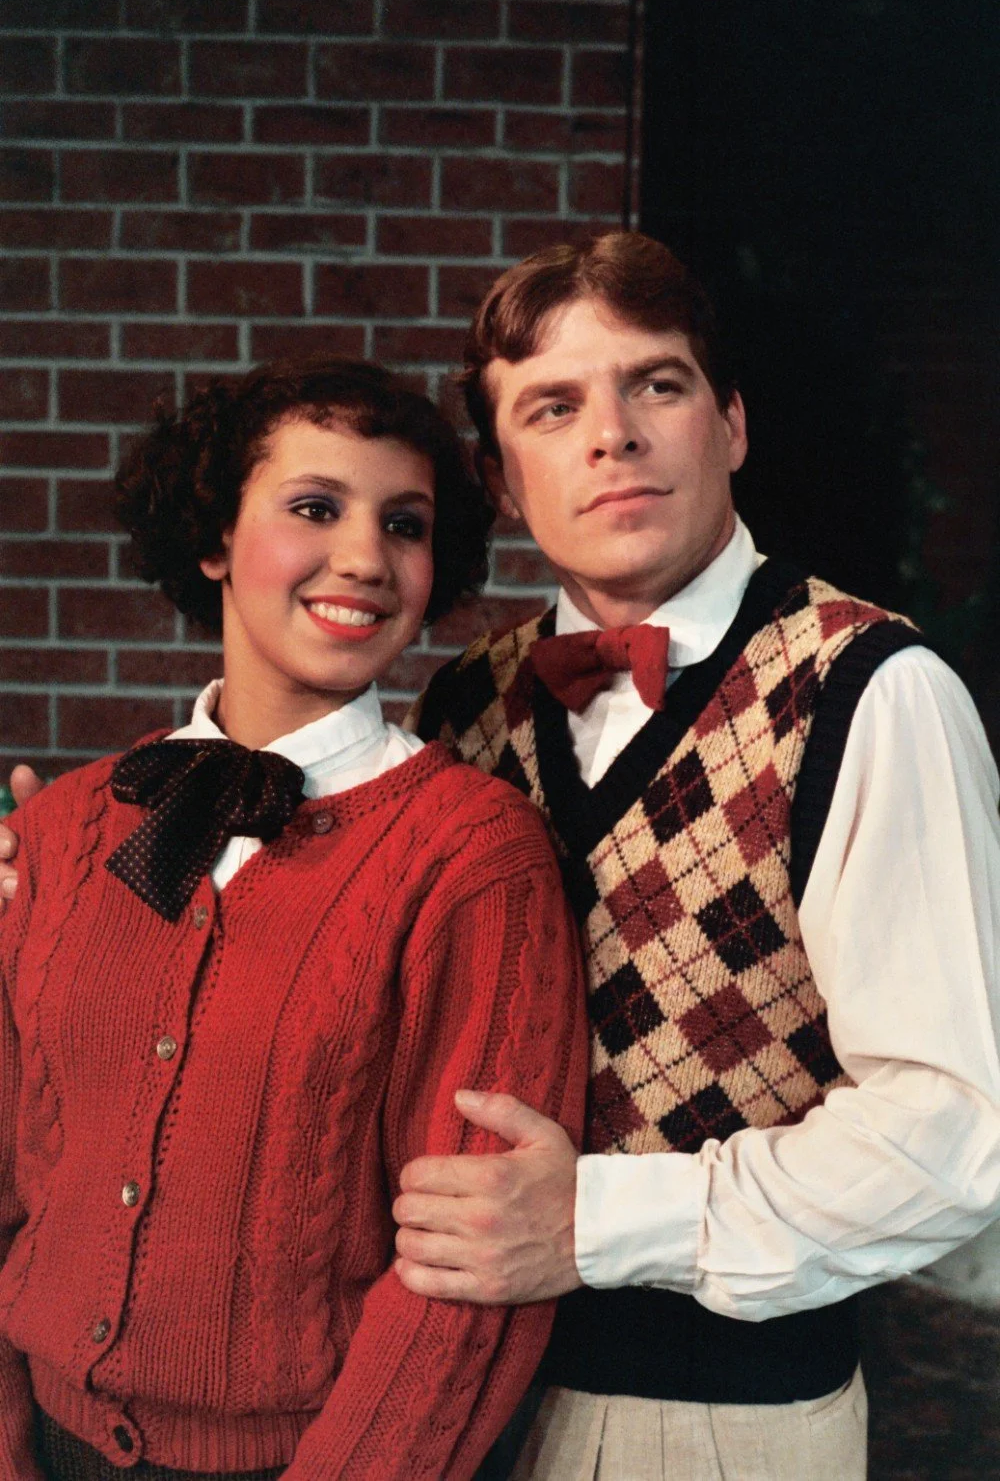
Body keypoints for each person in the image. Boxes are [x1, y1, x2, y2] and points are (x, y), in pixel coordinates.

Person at [382, 233, 1000, 1479]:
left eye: (655, 384)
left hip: (715, 1420)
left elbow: (954, 1133)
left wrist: (592, 1222)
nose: (611, 434)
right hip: (444, 1395)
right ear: (504, 481)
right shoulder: (462, 705)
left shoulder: (869, 689)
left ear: (729, 425)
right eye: (553, 407)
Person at [0, 359, 587, 1479]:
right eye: (315, 508)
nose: (365, 559)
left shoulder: (470, 854)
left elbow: (462, 1285)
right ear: (215, 538)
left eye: (404, 525)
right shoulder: (68, 827)